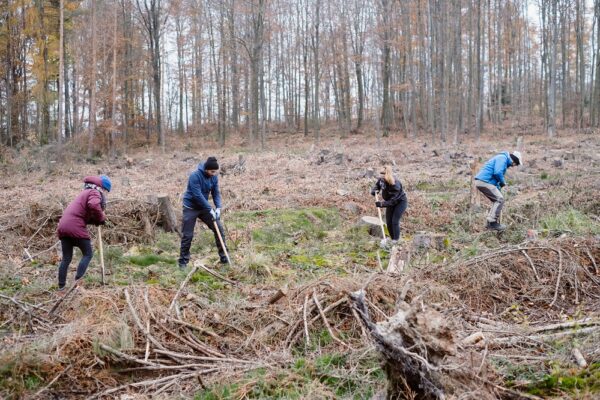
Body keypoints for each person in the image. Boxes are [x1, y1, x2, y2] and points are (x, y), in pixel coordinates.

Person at [56, 175, 111, 292]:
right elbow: (94, 206)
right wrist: (101, 218)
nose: (105, 194)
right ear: (103, 188)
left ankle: (61, 287)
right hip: (74, 226)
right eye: (106, 191)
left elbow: (83, 213)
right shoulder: (94, 192)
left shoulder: (85, 192)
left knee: (66, 258)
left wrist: (96, 220)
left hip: (63, 226)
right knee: (88, 254)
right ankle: (77, 282)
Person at [178, 156, 228, 268]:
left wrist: (218, 207)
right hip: (191, 207)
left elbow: (216, 193)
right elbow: (197, 195)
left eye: (215, 171)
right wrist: (210, 208)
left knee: (218, 228)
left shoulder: (214, 177)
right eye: (212, 171)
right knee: (188, 235)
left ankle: (224, 258)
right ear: (206, 169)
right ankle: (183, 263)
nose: (214, 173)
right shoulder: (194, 176)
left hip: (204, 207)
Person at [474, 151, 522, 231]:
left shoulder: (503, 160)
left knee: (496, 200)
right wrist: (503, 182)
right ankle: (492, 223)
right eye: (516, 164)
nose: (514, 166)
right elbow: (497, 172)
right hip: (484, 181)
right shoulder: (502, 158)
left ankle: (491, 222)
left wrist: (499, 187)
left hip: (485, 181)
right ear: (514, 160)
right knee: (499, 199)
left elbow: (496, 179)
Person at [371, 165, 408, 247]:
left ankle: (396, 241)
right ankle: (392, 239)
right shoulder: (381, 180)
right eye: (381, 174)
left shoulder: (395, 184)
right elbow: (377, 186)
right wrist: (374, 191)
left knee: (394, 221)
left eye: (383, 174)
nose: (381, 176)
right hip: (390, 202)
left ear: (388, 174)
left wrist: (382, 204)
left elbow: (394, 200)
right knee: (388, 222)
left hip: (400, 202)